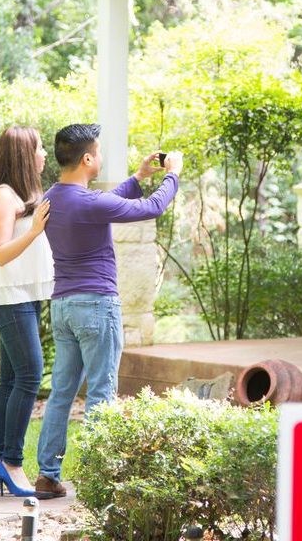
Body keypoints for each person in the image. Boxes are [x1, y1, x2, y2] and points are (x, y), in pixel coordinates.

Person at [33, 123, 182, 498]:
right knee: (101, 391)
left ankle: (47, 475)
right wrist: (173, 175)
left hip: (63, 306)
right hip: (96, 306)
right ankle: (98, 478)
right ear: (87, 159)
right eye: (98, 152)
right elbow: (152, 207)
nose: (101, 157)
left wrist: (138, 177)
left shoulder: (53, 197)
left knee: (62, 393)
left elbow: (100, 207)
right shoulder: (87, 203)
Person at [0, 125, 53, 497]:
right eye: (39, 148)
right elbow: (2, 254)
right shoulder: (3, 197)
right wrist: (34, 230)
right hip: (7, 296)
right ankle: (11, 462)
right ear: (24, 155)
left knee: (10, 379)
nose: (44, 155)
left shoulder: (19, 194)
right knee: (30, 375)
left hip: (20, 294)